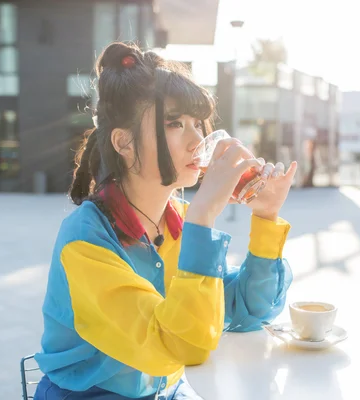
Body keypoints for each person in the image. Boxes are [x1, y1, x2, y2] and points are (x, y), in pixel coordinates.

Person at [32, 42, 296, 400]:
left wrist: (266, 215)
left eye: (196, 124)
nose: (196, 140)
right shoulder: (85, 240)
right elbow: (181, 346)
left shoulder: (178, 219)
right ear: (123, 142)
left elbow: (246, 309)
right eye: (174, 124)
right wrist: (204, 216)